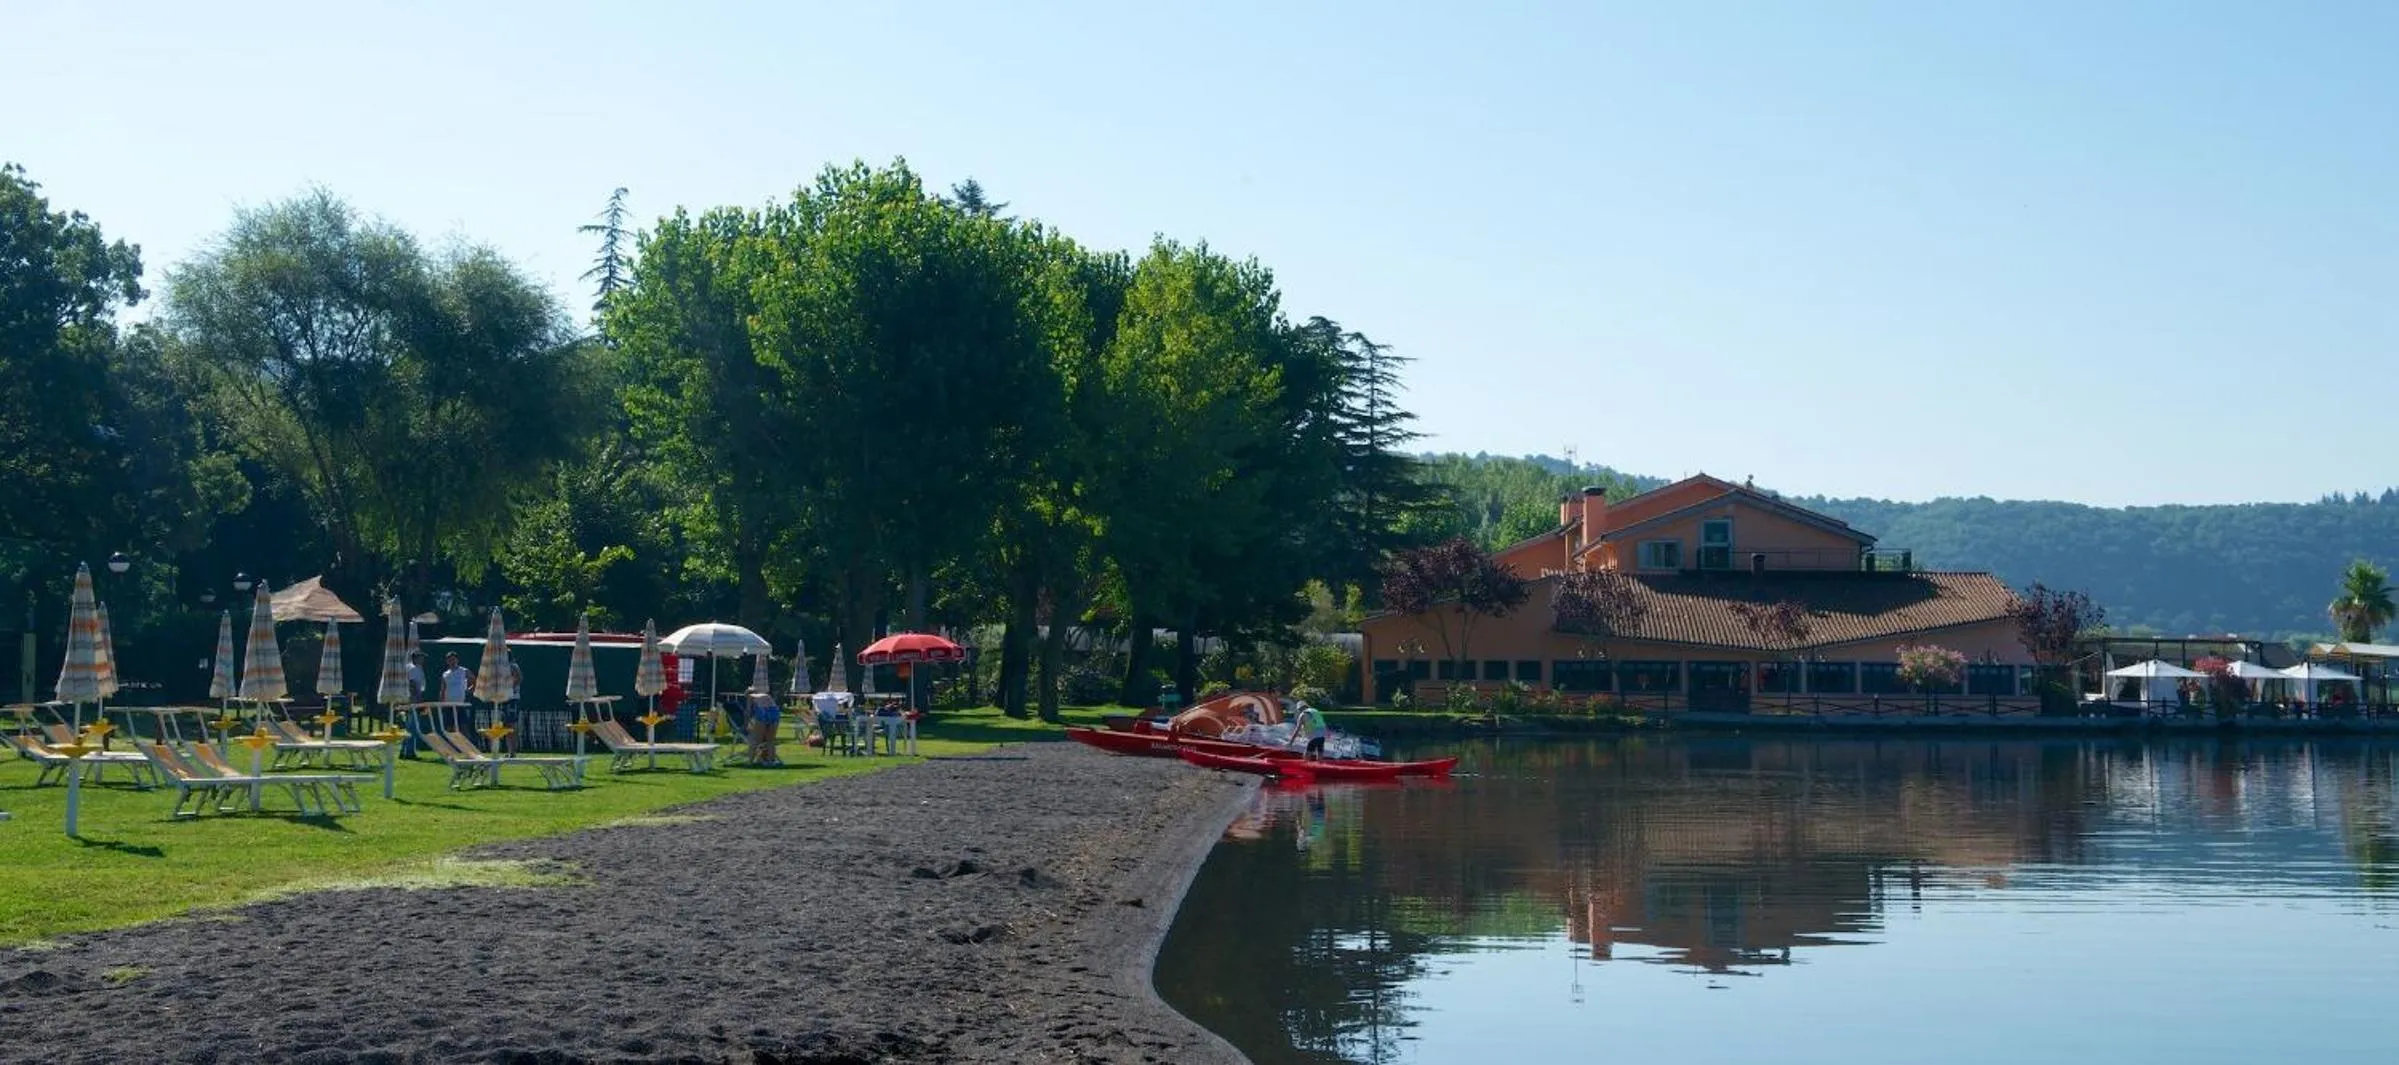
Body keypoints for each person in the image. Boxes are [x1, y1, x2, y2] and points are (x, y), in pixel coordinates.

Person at [402, 652, 428, 758]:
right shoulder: (413, 669)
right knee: (413, 727)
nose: (423, 659)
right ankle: (409, 752)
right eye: (421, 657)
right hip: (414, 700)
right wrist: (418, 700)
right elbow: (412, 685)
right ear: (416, 658)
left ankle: (404, 751)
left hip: (412, 699)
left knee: (409, 727)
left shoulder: (414, 667)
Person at [746, 689, 783, 766]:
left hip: (762, 711)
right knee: (770, 741)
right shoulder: (766, 696)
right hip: (774, 711)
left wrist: (747, 724)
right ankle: (770, 762)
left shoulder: (751, 697)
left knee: (756, 740)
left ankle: (750, 762)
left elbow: (748, 712)